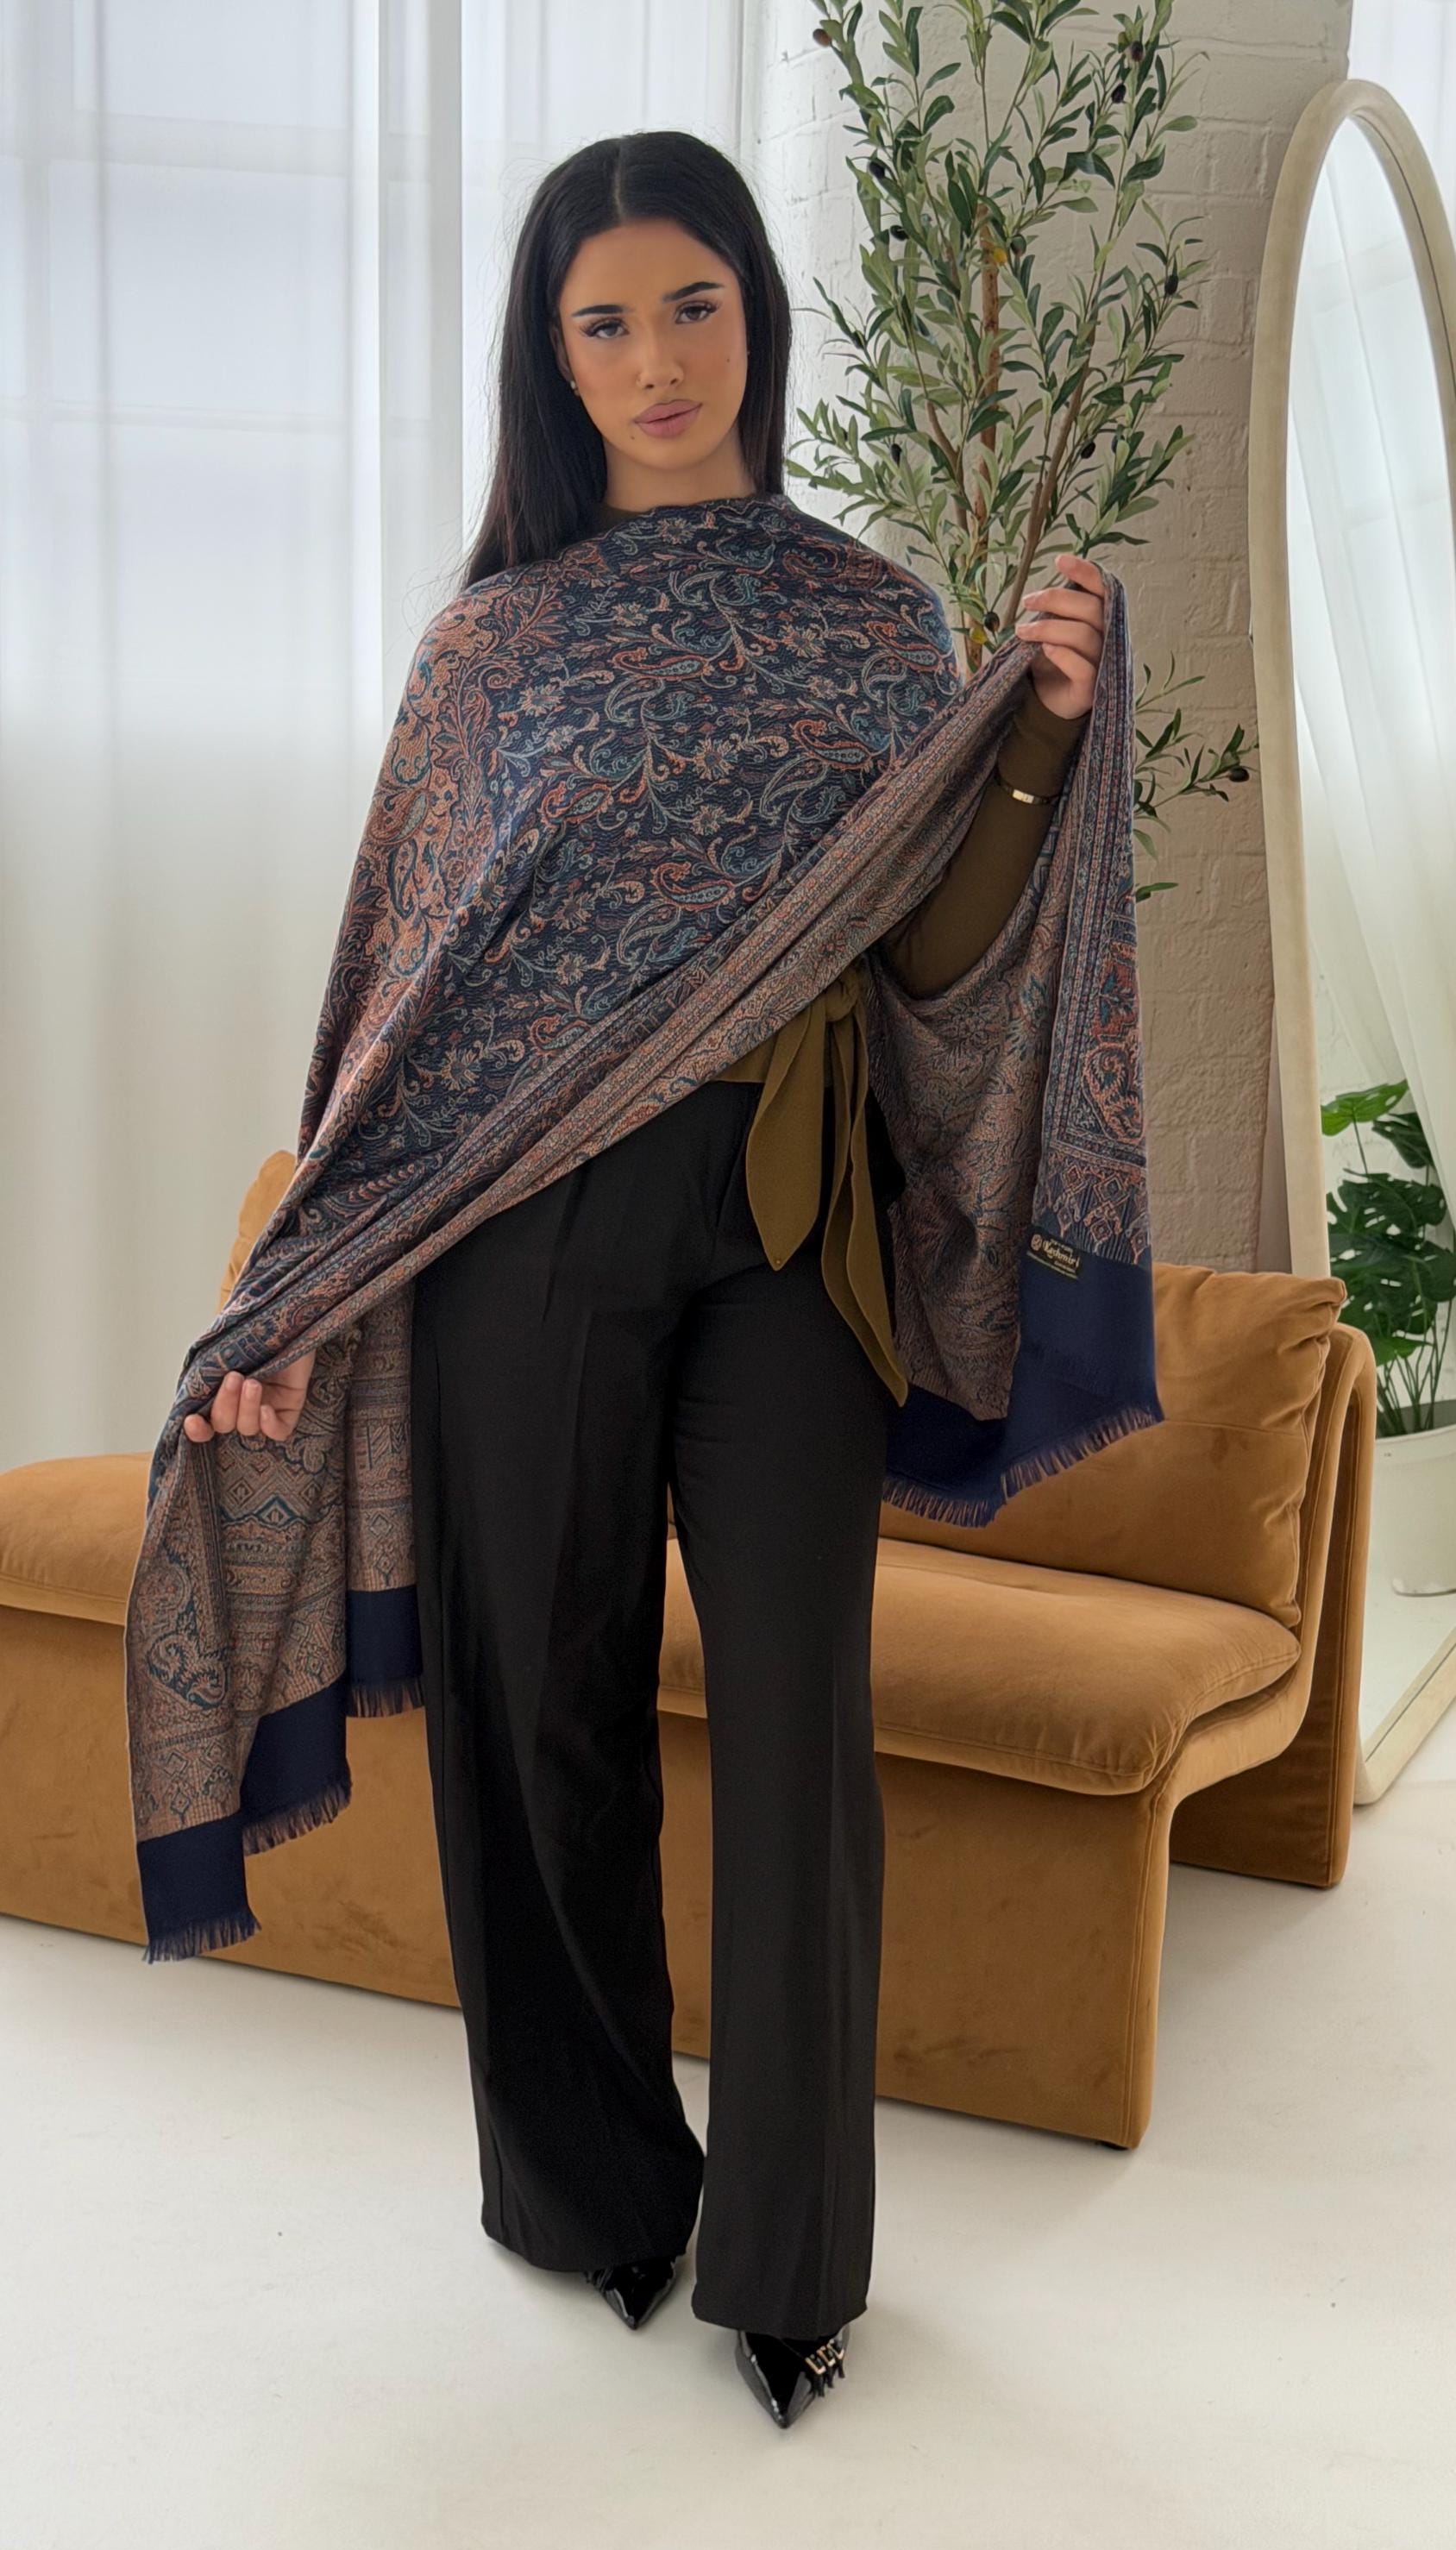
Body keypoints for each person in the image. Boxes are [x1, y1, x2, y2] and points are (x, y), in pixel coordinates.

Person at [179, 132, 1108, 2432]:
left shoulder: (866, 619)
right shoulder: (489, 650)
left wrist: (1044, 737)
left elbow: (929, 953)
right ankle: (597, 2192)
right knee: (541, 1709)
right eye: (605, 321)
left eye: (694, 306)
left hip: (791, 1227)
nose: (656, 360)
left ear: (756, 322)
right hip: (531, 1244)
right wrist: (282, 1306)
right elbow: (404, 1016)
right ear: (552, 356)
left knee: (800, 1727)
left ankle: (796, 2270)